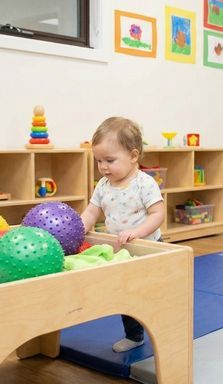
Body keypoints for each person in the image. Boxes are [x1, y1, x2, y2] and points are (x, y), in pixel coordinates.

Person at [81, 116, 165, 353]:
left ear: (133, 156)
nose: (103, 167)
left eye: (109, 160)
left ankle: (162, 327)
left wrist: (136, 233)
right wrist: (80, 226)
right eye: (98, 161)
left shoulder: (144, 184)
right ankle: (134, 335)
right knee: (126, 294)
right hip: (120, 250)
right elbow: (91, 211)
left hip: (149, 248)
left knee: (153, 294)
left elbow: (158, 214)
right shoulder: (103, 184)